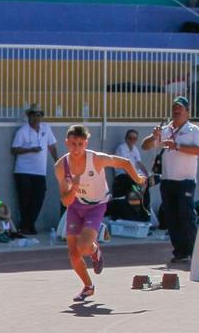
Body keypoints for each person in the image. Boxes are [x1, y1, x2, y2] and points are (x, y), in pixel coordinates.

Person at [56, 124, 147, 301]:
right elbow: (65, 200)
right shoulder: (61, 166)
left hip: (96, 206)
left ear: (86, 143)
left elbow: (125, 162)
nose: (76, 148)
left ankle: (95, 250)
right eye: (73, 144)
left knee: (83, 247)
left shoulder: (96, 159)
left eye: (80, 144)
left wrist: (137, 178)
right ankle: (88, 287)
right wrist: (73, 188)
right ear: (66, 142)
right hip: (75, 206)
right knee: (73, 253)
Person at [142, 96, 199, 265]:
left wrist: (176, 146)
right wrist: (153, 137)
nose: (176, 111)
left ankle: (195, 252)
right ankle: (180, 252)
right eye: (174, 108)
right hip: (168, 180)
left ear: (188, 112)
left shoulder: (194, 130)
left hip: (186, 180)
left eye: (180, 108)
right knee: (172, 217)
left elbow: (198, 150)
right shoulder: (165, 129)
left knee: (186, 215)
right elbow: (145, 146)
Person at [10, 103, 58, 235]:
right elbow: (14, 149)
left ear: (41, 117)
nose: (35, 118)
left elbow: (52, 146)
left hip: (40, 171)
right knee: (24, 200)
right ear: (29, 117)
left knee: (38, 199)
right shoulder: (22, 131)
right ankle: (27, 226)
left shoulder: (46, 129)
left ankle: (27, 224)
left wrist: (57, 160)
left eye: (38, 115)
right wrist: (30, 149)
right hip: (23, 171)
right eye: (33, 115)